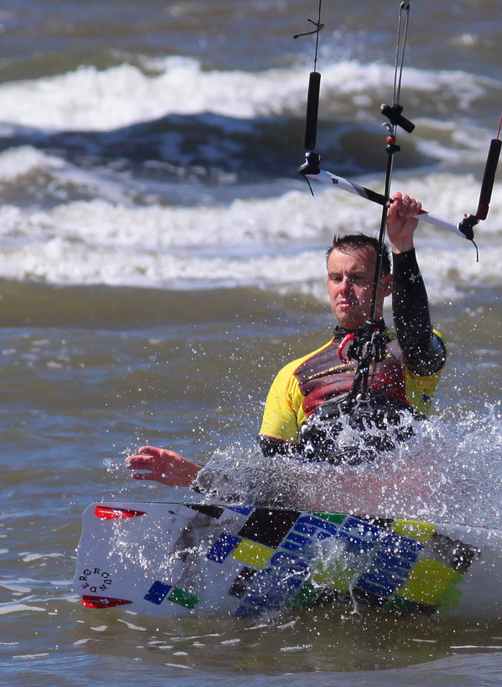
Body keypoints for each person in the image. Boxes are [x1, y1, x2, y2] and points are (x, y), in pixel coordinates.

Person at [127, 192, 445, 488]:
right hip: (324, 512)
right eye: (336, 278)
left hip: (398, 501)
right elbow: (276, 481)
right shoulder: (294, 375)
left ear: (387, 285)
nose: (344, 287)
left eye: (357, 278)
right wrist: (201, 478)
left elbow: (415, 332)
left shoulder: (407, 353)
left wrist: (402, 246)